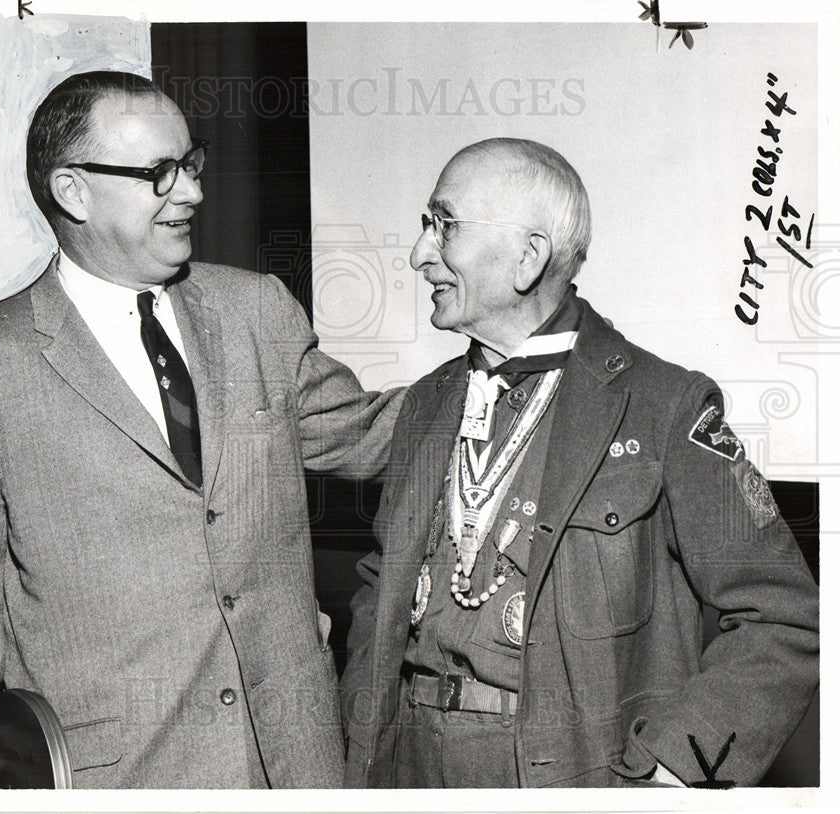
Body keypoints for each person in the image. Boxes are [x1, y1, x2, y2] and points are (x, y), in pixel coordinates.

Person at [0, 71, 402, 789]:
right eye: (159, 174)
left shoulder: (255, 311)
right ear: (72, 191)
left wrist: (522, 365)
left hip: (297, 773)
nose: (192, 192)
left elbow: (371, 432)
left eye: (189, 164)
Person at [339, 138, 819, 788]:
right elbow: (384, 585)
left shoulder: (664, 407)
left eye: (442, 225)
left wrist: (680, 770)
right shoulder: (428, 403)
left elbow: (784, 615)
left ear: (527, 258)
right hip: (407, 772)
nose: (420, 253)